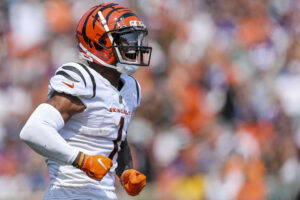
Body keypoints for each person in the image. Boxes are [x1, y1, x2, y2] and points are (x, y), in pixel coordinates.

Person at [20, 2, 152, 200]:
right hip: (68, 193)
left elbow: (115, 137)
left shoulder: (131, 88)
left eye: (135, 39)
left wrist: (125, 171)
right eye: (127, 40)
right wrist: (81, 160)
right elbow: (33, 130)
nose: (134, 46)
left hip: (104, 194)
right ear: (100, 43)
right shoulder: (83, 80)